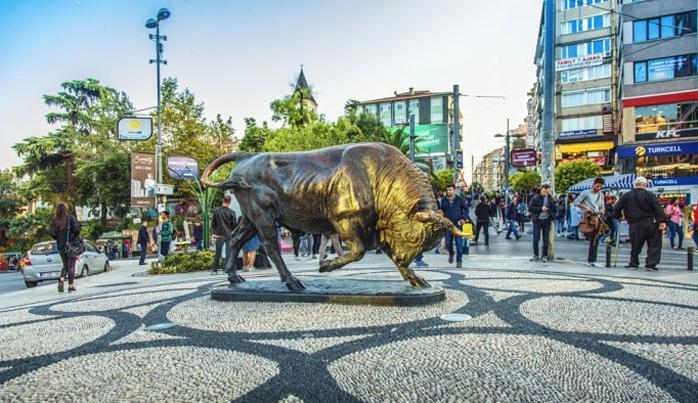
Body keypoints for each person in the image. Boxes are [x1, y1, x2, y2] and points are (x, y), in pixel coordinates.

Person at [613, 176, 668, 271]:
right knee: (654, 244)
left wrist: (618, 217)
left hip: (634, 224)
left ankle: (633, 263)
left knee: (635, 245)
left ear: (634, 185)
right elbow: (658, 208)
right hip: (650, 223)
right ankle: (651, 264)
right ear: (645, 184)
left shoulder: (626, 195)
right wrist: (662, 221)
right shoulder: (650, 195)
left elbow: (616, 208)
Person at [573, 177, 606, 267]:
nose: (598, 188)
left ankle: (592, 259)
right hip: (589, 217)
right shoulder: (586, 193)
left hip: (597, 217)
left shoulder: (601, 195)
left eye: (600, 187)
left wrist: (602, 210)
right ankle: (591, 259)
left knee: (596, 238)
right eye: (597, 186)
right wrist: (585, 207)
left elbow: (602, 206)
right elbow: (576, 202)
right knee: (593, 238)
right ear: (593, 184)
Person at [48, 203, 80, 293]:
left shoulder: (55, 221)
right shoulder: (70, 218)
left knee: (66, 265)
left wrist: (58, 238)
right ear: (65, 209)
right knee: (71, 265)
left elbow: (52, 233)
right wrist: (73, 236)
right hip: (71, 245)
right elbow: (77, 230)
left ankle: (61, 279)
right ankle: (70, 285)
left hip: (60, 246)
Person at [439, 184, 469, 268]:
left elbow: (466, 209)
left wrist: (464, 218)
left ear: (454, 190)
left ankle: (459, 261)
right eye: (447, 190)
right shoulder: (444, 201)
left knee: (459, 245)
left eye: (450, 190)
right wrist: (441, 216)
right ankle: (451, 254)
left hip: (458, 224)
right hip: (448, 224)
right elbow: (441, 211)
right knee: (448, 243)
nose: (448, 192)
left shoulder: (460, 200)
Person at [529, 184, 557, 263]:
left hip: (546, 221)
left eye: (547, 191)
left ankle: (544, 255)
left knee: (545, 239)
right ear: (541, 190)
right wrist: (541, 209)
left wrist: (551, 216)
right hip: (537, 220)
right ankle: (535, 255)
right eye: (544, 191)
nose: (545, 193)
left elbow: (555, 210)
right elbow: (530, 208)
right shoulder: (535, 197)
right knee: (535, 238)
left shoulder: (551, 199)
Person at [211, 195, 237, 274]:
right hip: (229, 235)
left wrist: (215, 232)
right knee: (228, 253)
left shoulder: (216, 211)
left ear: (223, 200)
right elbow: (234, 225)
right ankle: (226, 269)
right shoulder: (232, 212)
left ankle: (214, 270)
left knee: (217, 253)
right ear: (230, 202)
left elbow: (213, 224)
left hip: (219, 235)